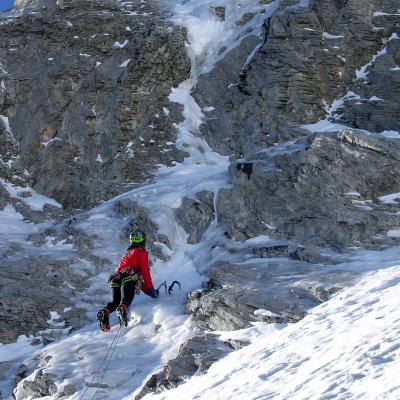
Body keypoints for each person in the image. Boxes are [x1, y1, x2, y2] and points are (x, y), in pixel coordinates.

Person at [97, 229, 159, 331]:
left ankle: (105, 311)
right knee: (125, 301)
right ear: (143, 241)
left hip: (116, 278)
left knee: (115, 302)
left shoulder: (126, 254)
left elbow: (121, 270)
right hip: (129, 278)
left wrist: (147, 290)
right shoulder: (141, 252)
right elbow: (144, 272)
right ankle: (123, 309)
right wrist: (151, 290)